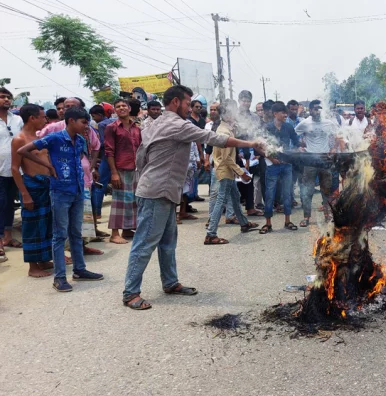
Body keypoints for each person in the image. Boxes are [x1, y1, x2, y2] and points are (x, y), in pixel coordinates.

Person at [122, 85, 263, 310]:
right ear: (176, 102)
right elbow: (213, 138)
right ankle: (130, 293)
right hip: (157, 191)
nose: (190, 108)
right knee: (145, 242)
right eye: (188, 103)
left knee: (168, 241)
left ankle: (170, 282)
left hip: (162, 190)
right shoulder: (176, 124)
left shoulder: (156, 123)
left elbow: (141, 156)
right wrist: (251, 144)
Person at [17, 107, 105, 292]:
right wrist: (48, 166)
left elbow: (79, 160)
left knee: (75, 232)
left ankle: (79, 270)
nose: (86, 126)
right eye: (83, 122)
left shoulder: (80, 140)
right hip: (60, 192)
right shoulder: (54, 138)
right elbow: (23, 150)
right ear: (71, 120)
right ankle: (59, 277)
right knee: (59, 235)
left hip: (78, 191)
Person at [205, 99, 258, 244]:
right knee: (220, 200)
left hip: (225, 168)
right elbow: (227, 158)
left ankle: (244, 223)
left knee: (235, 196)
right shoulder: (224, 132)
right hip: (224, 169)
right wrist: (241, 173)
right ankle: (210, 234)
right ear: (227, 115)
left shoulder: (227, 129)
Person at [11, 104, 54, 276]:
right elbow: (15, 168)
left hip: (46, 184)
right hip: (32, 186)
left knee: (46, 223)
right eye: (43, 117)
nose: (45, 120)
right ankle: (32, 267)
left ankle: (43, 259)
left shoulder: (39, 137)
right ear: (32, 118)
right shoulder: (19, 139)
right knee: (32, 226)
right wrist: (24, 193)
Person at [294, 100, 338, 227]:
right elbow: (294, 135)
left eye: (319, 108)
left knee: (326, 190)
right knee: (308, 191)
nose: (317, 111)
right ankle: (306, 217)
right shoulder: (305, 123)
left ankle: (327, 215)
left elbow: (338, 135)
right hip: (309, 160)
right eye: (314, 108)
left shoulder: (329, 123)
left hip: (325, 160)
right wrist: (300, 147)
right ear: (310, 110)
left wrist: (333, 149)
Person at [105, 99, 141, 245]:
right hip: (120, 168)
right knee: (119, 201)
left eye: (124, 106)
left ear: (129, 108)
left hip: (136, 168)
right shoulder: (111, 127)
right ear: (115, 110)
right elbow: (109, 151)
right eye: (118, 106)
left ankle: (127, 229)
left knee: (133, 200)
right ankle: (114, 233)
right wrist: (114, 173)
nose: (121, 108)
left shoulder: (136, 127)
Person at [260, 101, 300, 234]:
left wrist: (297, 150)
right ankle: (268, 223)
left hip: (287, 165)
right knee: (270, 194)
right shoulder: (267, 128)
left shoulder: (288, 127)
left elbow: (296, 142)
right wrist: (271, 158)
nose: (285, 114)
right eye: (283, 112)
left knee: (287, 193)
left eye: (286, 112)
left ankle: (287, 221)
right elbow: (260, 146)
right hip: (272, 166)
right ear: (275, 113)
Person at [0, 87, 23, 261]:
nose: (6, 99)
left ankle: (7, 236)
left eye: (8, 97)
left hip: (15, 169)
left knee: (9, 204)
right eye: (2, 97)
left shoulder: (18, 119)